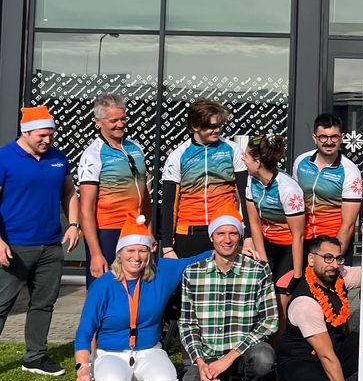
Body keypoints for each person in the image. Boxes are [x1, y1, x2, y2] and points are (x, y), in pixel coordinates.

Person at [73, 215, 209, 381]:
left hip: (148, 351)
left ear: (150, 252)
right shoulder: (103, 285)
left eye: (142, 251)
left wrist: (236, 247)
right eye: (130, 250)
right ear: (119, 253)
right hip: (111, 353)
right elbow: (85, 332)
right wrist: (83, 368)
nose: (136, 257)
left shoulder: (161, 273)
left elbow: (196, 260)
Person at [171, 206, 278, 381]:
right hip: (208, 356)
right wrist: (200, 362)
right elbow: (187, 324)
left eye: (233, 233)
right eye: (220, 233)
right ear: (211, 237)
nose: (227, 240)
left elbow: (270, 320)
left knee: (264, 358)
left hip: (243, 353)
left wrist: (229, 358)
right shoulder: (193, 272)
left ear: (240, 237)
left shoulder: (259, 270)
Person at [0, 106, 80, 376]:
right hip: (14, 246)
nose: (48, 140)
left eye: (50, 135)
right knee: (2, 303)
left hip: (51, 245)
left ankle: (35, 357)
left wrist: (74, 225)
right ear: (26, 132)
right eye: (42, 135)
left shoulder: (58, 157)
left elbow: (69, 192)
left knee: (44, 303)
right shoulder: (4, 158)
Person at [277, 235, 363, 381]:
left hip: (331, 350)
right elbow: (327, 357)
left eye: (338, 258)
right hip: (301, 361)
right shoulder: (305, 304)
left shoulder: (338, 275)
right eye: (327, 258)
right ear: (311, 259)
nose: (334, 264)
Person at [160, 98, 248, 259]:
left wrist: (248, 236)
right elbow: (169, 203)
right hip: (189, 232)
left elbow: (245, 195)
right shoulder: (178, 155)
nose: (217, 130)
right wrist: (167, 246)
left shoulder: (232, 149)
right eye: (211, 126)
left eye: (220, 125)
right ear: (195, 126)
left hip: (224, 229)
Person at [78, 94, 150, 288]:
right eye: (113, 121)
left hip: (135, 228)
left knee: (136, 288)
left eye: (123, 119)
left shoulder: (135, 147)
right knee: (104, 289)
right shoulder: (93, 155)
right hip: (108, 231)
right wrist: (96, 253)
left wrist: (149, 231)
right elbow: (86, 208)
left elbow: (145, 194)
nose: (120, 124)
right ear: (98, 122)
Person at [241, 134, 305, 341]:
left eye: (246, 156)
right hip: (267, 246)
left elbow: (298, 235)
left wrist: (297, 274)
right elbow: (254, 223)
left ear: (258, 162)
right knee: (261, 301)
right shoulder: (252, 180)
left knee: (279, 304)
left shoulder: (287, 188)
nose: (242, 159)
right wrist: (262, 259)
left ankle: (279, 352)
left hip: (288, 249)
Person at [292, 113, 363, 256]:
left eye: (334, 137)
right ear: (315, 138)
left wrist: (334, 257)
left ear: (342, 138)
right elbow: (294, 202)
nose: (329, 142)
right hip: (303, 237)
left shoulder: (350, 171)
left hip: (333, 240)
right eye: (323, 137)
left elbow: (348, 225)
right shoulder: (301, 162)